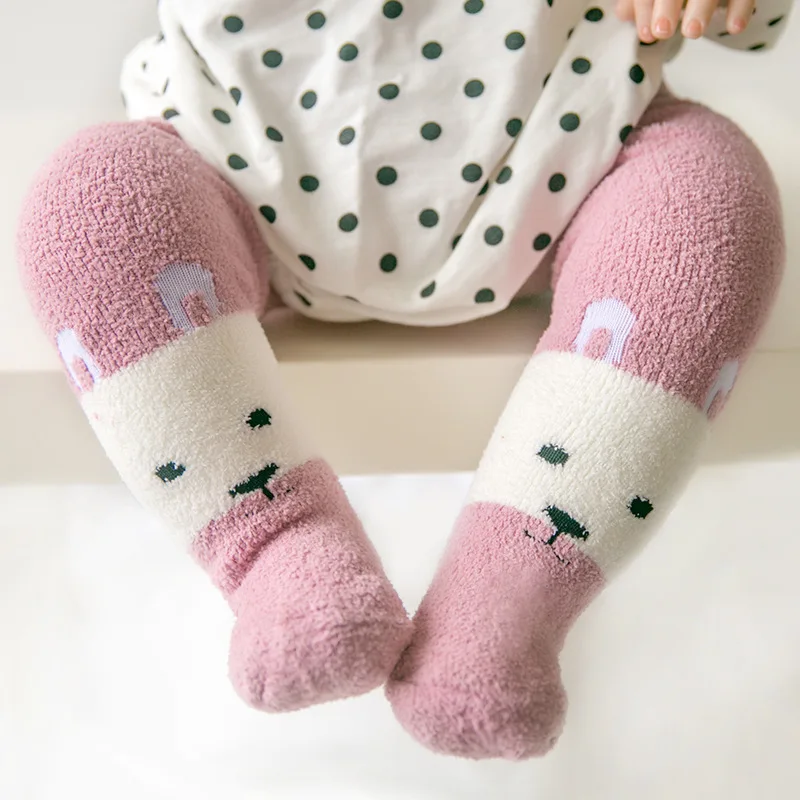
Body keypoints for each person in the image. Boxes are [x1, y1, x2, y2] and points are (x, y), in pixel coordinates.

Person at [16, 0, 790, 759]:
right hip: (229, 156)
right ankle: (280, 549)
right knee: (92, 205)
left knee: (709, 207)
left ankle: (508, 594)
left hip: (572, 147)